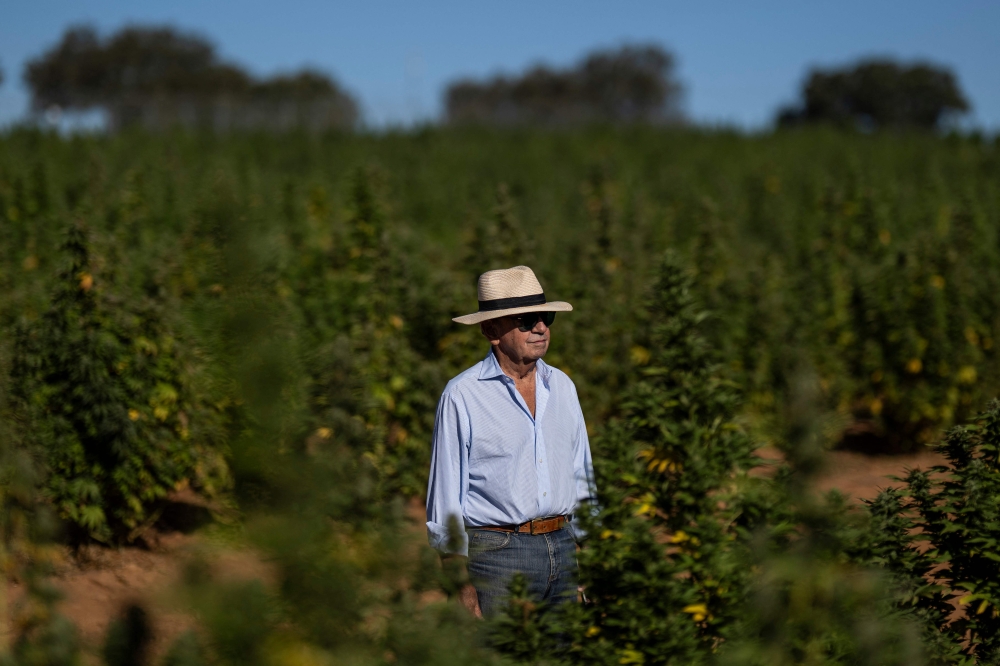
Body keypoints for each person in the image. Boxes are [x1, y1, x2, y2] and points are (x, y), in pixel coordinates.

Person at [425, 265, 596, 618]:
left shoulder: (563, 387)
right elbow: (446, 504)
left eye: (545, 317)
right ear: (491, 330)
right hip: (497, 558)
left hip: (563, 548)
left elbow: (582, 477)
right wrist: (462, 590)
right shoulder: (462, 396)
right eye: (525, 320)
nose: (540, 327)